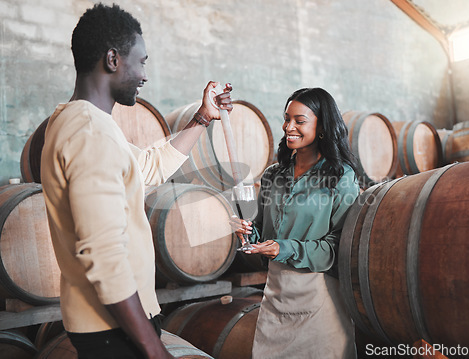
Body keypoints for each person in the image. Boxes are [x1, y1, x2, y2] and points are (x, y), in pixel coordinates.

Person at [40, 3, 232, 359]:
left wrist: (202, 119)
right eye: (141, 62)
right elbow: (104, 253)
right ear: (113, 60)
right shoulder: (89, 131)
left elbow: (147, 166)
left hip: (108, 324)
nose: (145, 75)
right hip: (113, 330)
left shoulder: (79, 122)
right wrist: (153, 347)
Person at [233, 87, 360, 358]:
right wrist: (248, 233)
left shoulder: (341, 176)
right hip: (276, 299)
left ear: (322, 126)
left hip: (320, 300)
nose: (288, 126)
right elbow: (265, 236)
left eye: (299, 121)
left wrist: (284, 248)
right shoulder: (272, 176)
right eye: (286, 118)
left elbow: (339, 248)